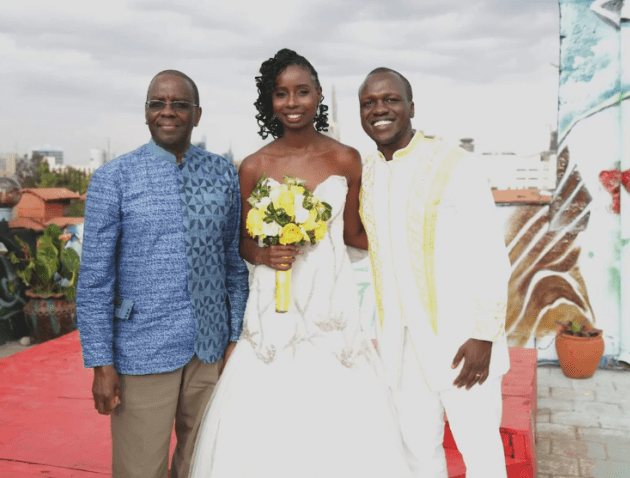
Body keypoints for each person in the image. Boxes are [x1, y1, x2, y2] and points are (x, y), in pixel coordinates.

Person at [189, 49, 411, 478]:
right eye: (281, 94)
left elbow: (352, 235)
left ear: (318, 95)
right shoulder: (253, 166)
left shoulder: (346, 159)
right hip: (274, 317)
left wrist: (412, 244)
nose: (292, 103)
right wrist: (264, 253)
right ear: (269, 101)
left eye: (302, 92)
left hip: (332, 313)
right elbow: (241, 244)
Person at [76, 70, 249, 478]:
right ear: (147, 113)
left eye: (179, 104)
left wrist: (235, 336)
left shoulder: (223, 174)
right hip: (141, 349)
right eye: (158, 103)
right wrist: (101, 363)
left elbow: (232, 262)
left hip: (210, 350)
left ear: (197, 114)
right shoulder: (113, 179)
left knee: (203, 464)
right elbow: (94, 280)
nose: (167, 112)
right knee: (140, 469)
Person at [357, 67, 512, 478]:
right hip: (400, 349)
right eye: (368, 103)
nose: (379, 110)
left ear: (411, 106)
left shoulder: (454, 164)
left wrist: (484, 335)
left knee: (480, 452)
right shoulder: (368, 174)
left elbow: (490, 253)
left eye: (390, 99)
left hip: (462, 343)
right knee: (417, 454)